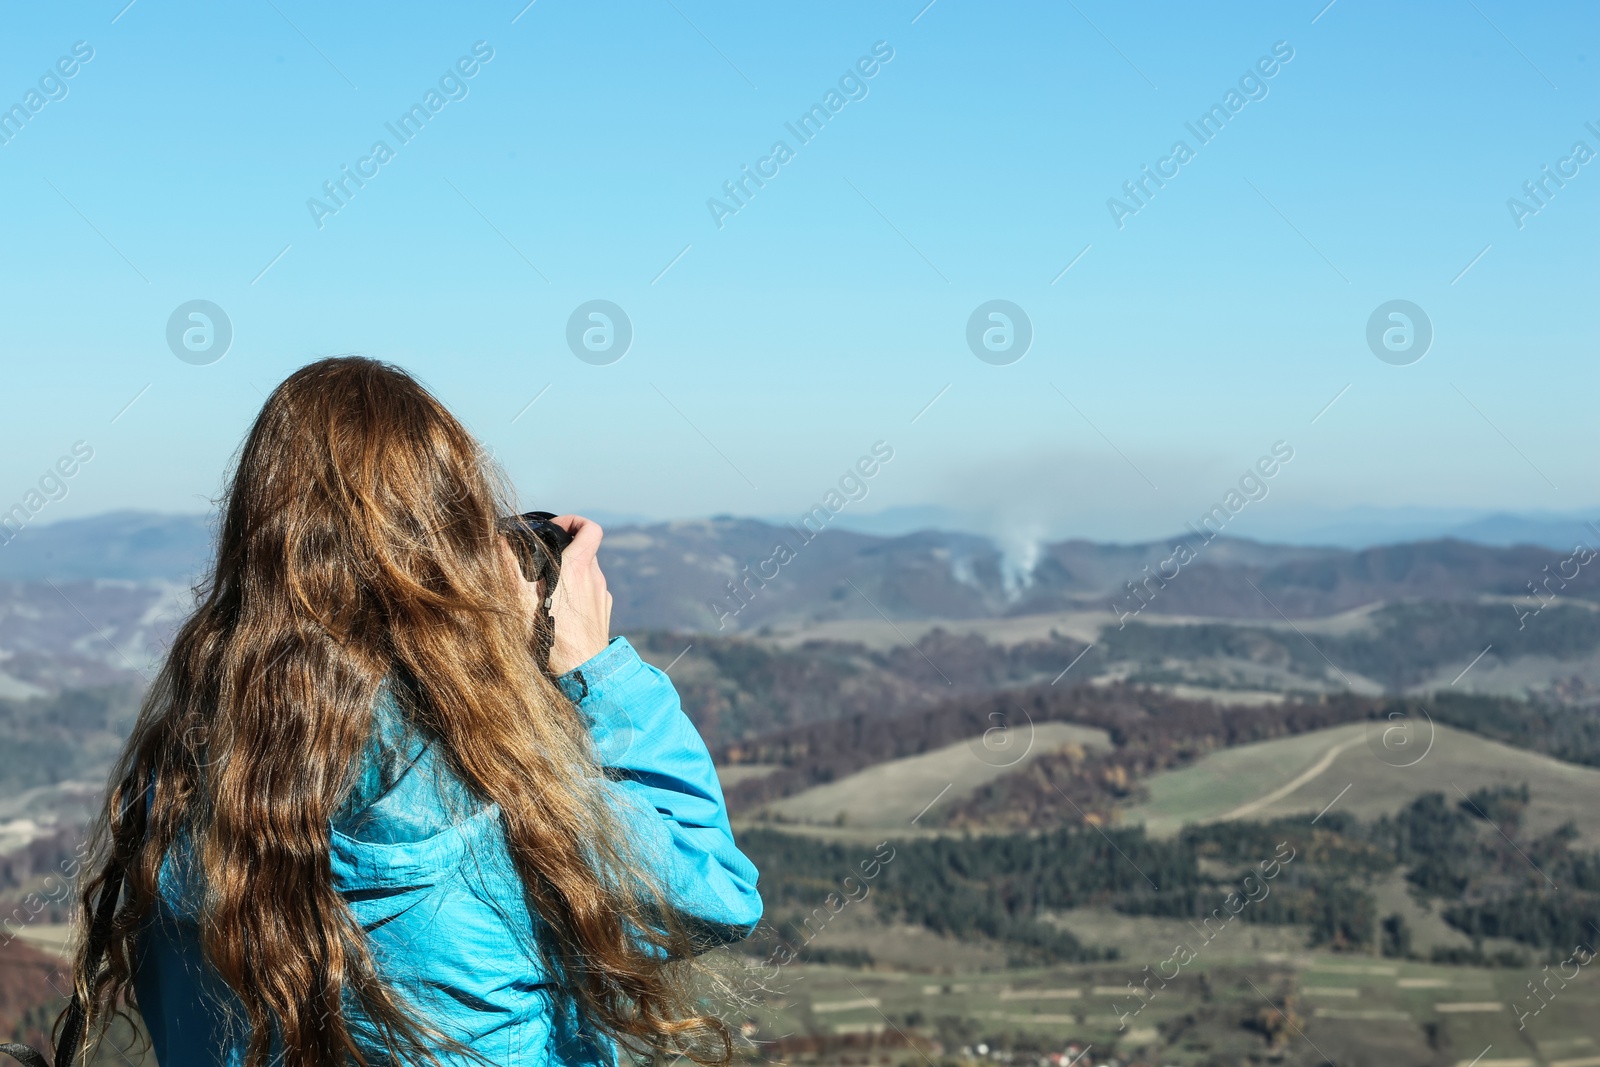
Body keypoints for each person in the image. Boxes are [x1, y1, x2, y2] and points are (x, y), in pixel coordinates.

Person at [69, 357, 762, 1067]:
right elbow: (716, 891)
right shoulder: (492, 800)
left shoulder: (173, 795)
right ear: (448, 557)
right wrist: (593, 667)